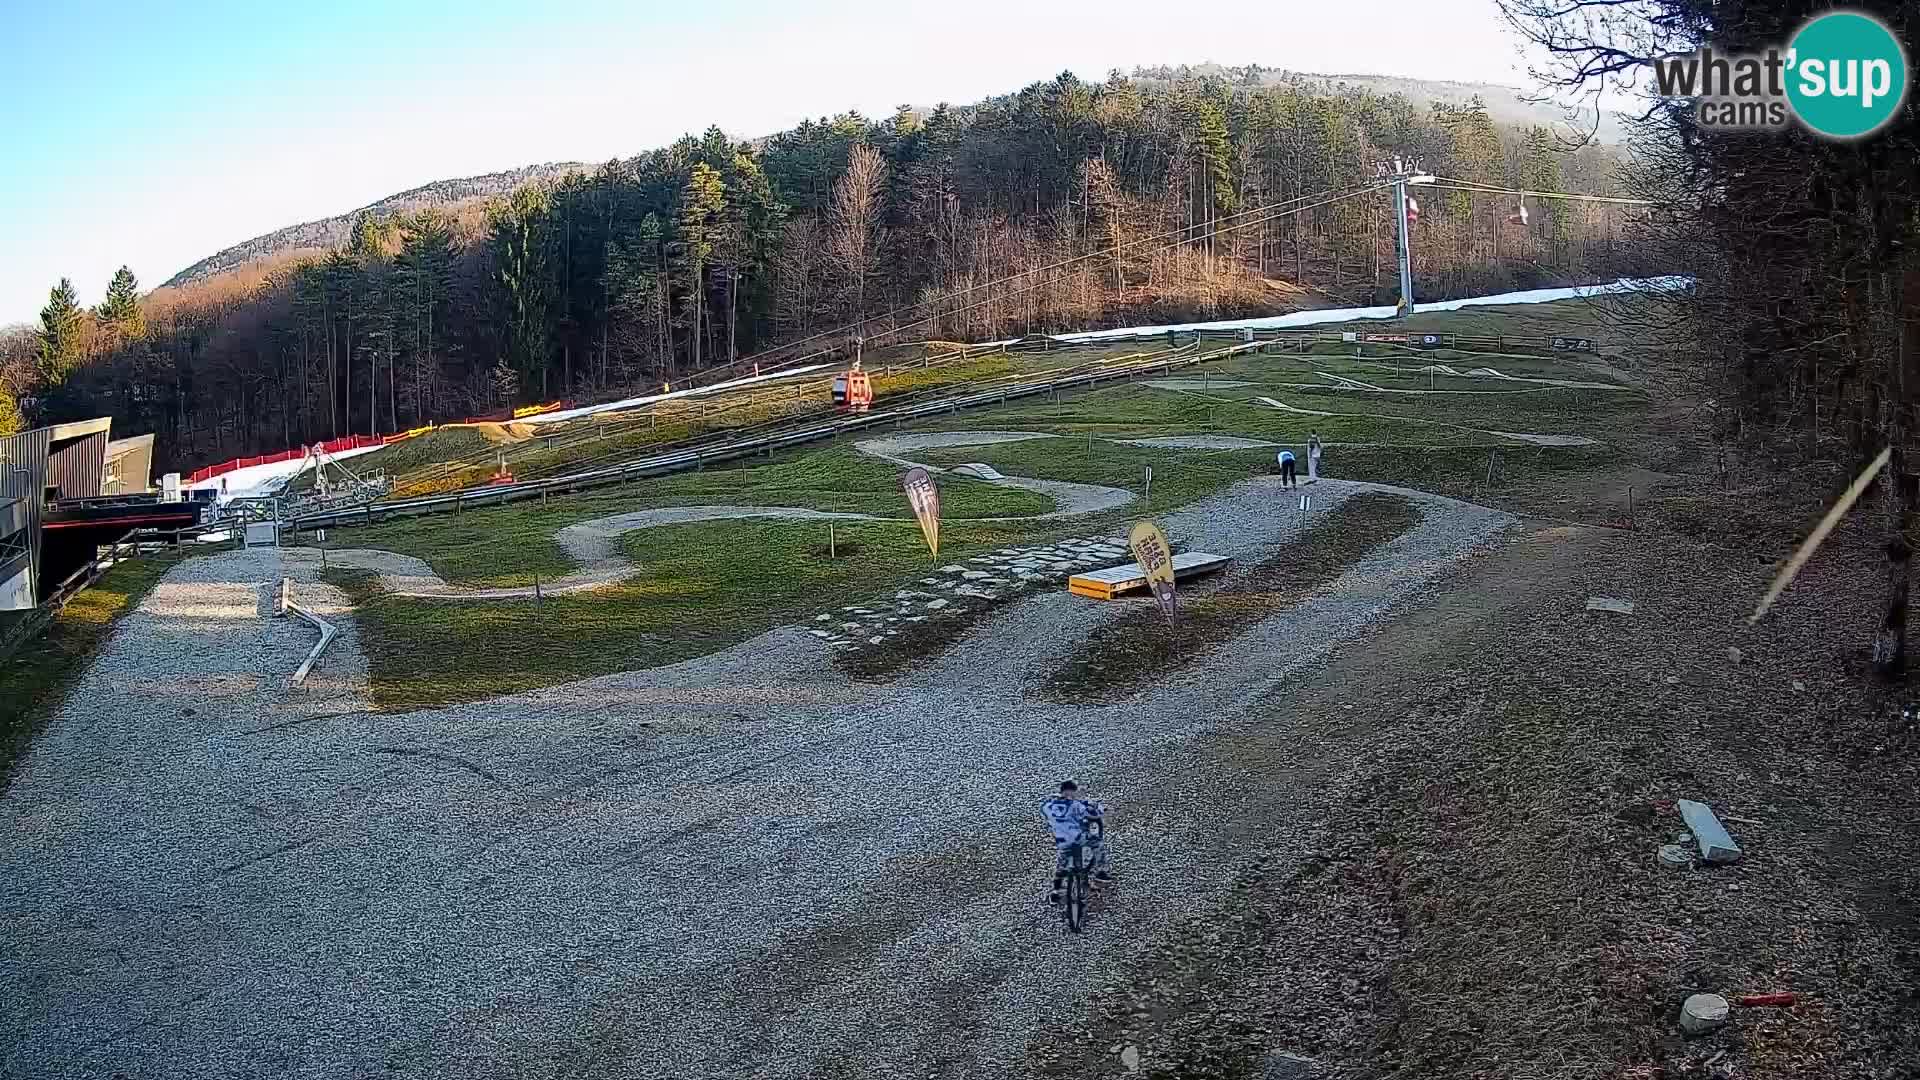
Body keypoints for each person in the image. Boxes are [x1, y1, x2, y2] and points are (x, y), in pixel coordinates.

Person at [1043, 780, 1111, 904]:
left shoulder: (1048, 806)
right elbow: (1092, 813)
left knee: (1061, 867)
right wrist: (1101, 808)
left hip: (1063, 841)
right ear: (1072, 791)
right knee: (1097, 844)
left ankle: (1055, 892)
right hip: (1078, 838)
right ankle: (1101, 872)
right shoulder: (1076, 805)